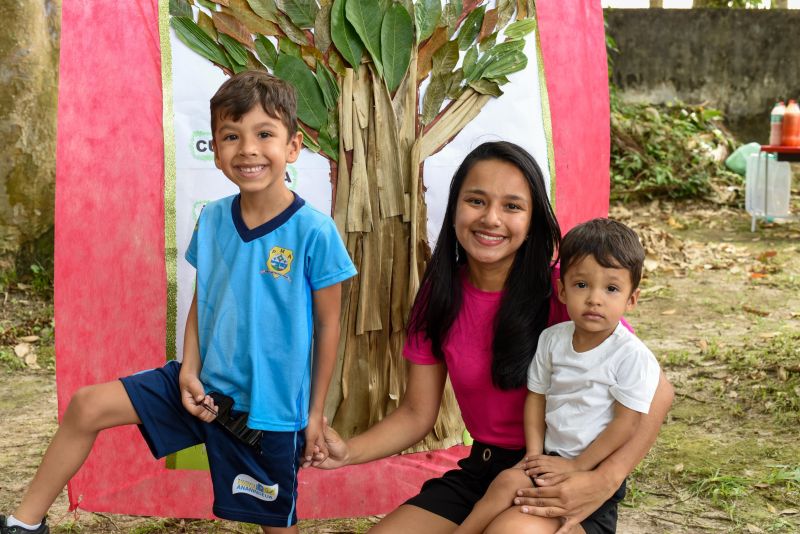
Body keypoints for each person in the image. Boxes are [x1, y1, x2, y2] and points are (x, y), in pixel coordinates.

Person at [1, 71, 356, 534]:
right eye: (231, 136)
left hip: (264, 413)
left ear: (292, 147)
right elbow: (203, 301)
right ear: (215, 149)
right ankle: (23, 525)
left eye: (264, 134)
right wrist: (189, 369)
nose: (247, 148)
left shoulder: (314, 232)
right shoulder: (211, 220)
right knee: (86, 405)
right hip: (199, 388)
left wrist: (312, 414)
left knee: (274, 526)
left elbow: (329, 327)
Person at [313, 141, 673, 534]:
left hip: (561, 473)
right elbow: (417, 414)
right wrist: (347, 452)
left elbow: (657, 390)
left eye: (512, 206)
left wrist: (605, 480)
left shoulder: (566, 291)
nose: (491, 219)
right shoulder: (440, 295)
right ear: (454, 210)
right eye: (477, 201)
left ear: (532, 219)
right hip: (484, 471)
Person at [454, 218, 661, 534]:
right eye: (582, 285)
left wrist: (579, 466)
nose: (595, 298)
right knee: (506, 481)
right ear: (562, 291)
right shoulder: (552, 339)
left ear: (631, 299)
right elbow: (536, 397)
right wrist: (534, 453)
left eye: (611, 288)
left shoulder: (632, 355)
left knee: (509, 527)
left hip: (589, 468)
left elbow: (626, 423)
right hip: (549, 459)